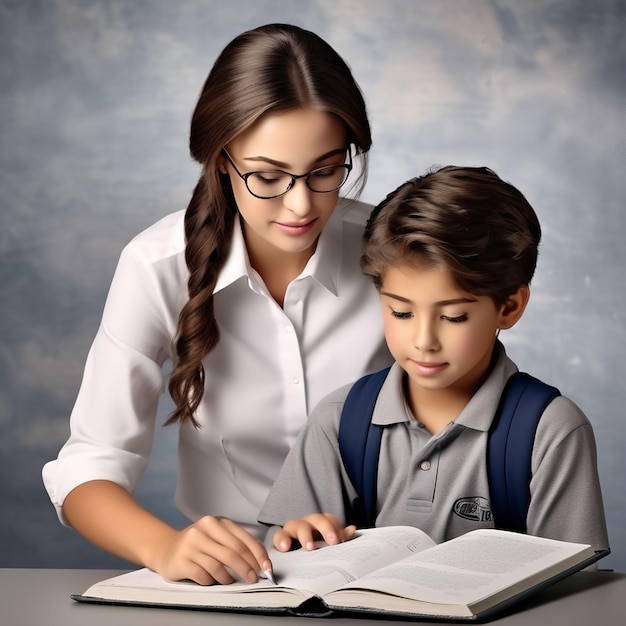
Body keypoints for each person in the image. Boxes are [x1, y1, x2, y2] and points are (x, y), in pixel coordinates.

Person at [42, 23, 392, 586]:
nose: (301, 204)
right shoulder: (157, 266)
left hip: (392, 562)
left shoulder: (392, 250)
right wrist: (165, 547)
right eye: (268, 176)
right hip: (240, 580)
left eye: (326, 170)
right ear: (221, 161)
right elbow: (90, 462)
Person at [259, 166, 610, 558]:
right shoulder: (338, 420)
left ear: (509, 307)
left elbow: (569, 595)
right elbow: (284, 566)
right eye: (401, 313)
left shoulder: (550, 432)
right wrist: (296, 540)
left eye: (453, 316)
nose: (423, 342)